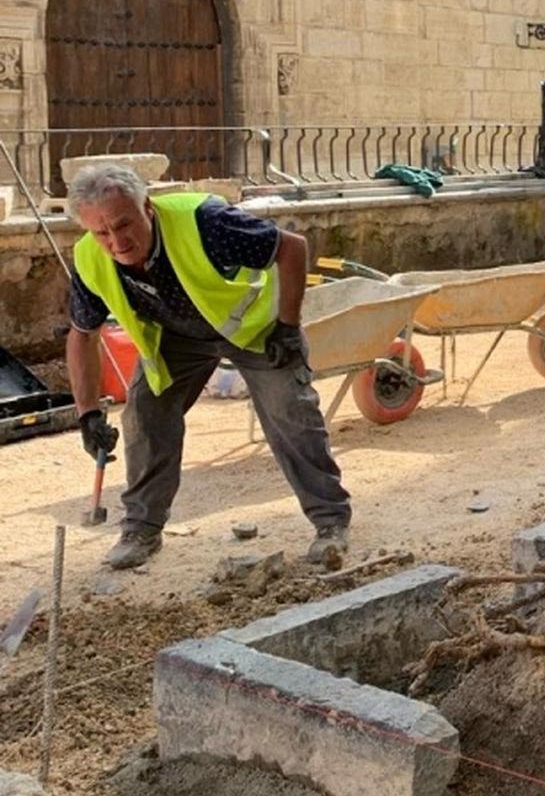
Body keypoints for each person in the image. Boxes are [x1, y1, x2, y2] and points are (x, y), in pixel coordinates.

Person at [63, 162, 351, 571]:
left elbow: (291, 248)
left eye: (124, 224)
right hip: (177, 337)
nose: (116, 240)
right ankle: (141, 529)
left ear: (146, 208)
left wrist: (288, 326)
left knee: (290, 412)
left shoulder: (206, 222)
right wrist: (87, 412)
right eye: (101, 232)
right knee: (146, 414)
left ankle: (331, 522)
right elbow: (82, 335)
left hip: (255, 329)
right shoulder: (90, 259)